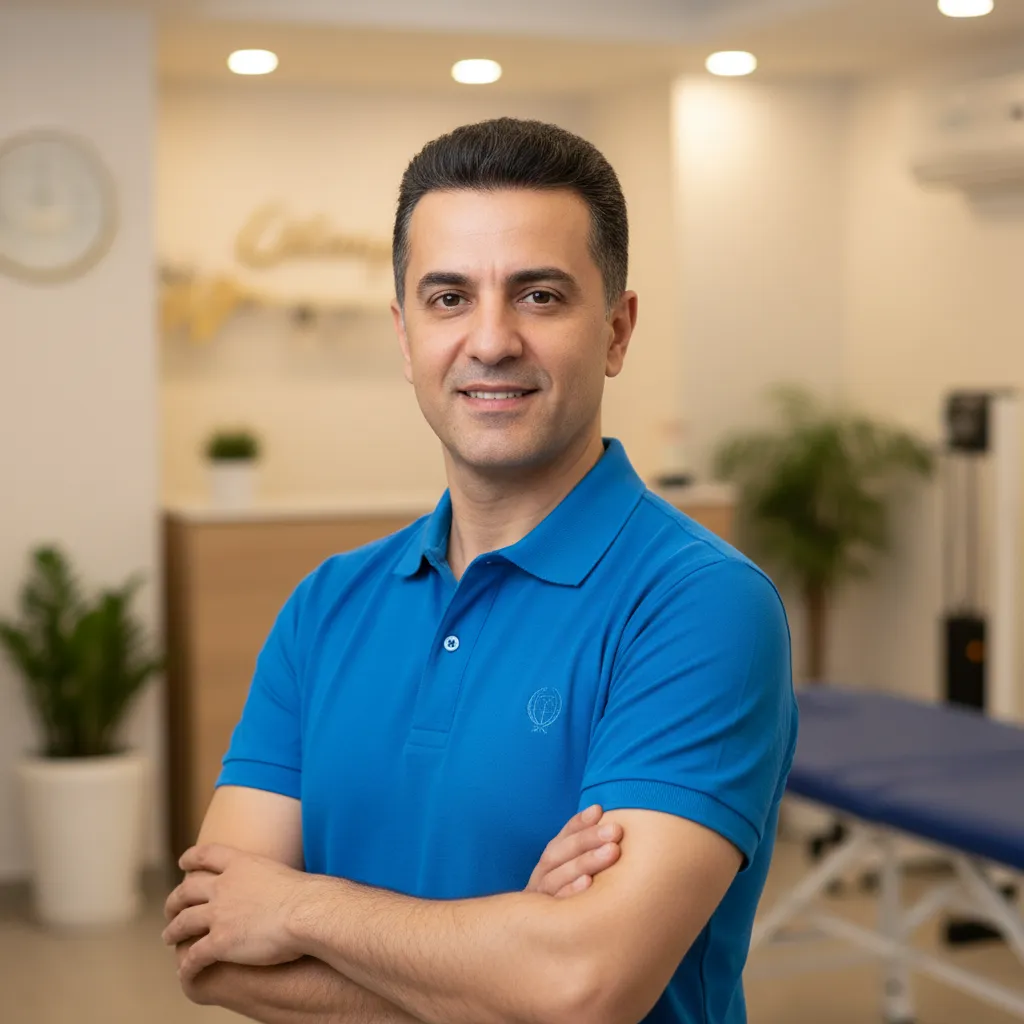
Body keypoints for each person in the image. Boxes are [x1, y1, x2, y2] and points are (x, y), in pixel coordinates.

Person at [163, 117, 798, 1024]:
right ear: (405, 333)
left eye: (539, 296)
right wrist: (505, 955)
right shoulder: (326, 606)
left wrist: (300, 908)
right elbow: (211, 950)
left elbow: (581, 989)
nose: (491, 340)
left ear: (616, 332)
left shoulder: (701, 606)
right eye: (449, 297)